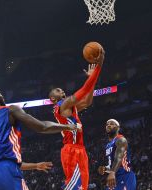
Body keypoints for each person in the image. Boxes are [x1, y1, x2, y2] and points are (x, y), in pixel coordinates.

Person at [0, 87, 81, 190]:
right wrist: (68, 126)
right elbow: (42, 127)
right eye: (0, 93)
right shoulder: (10, 110)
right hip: (6, 170)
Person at [48, 49, 105, 190]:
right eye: (58, 90)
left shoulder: (70, 108)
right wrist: (99, 64)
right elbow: (84, 90)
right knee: (73, 187)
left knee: (82, 188)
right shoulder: (63, 105)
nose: (61, 90)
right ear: (53, 99)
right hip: (71, 150)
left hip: (80, 149)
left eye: (62, 89)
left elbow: (87, 101)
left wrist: (91, 81)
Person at [98, 119, 136, 190]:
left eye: (112, 124)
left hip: (125, 175)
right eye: (107, 124)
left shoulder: (121, 139)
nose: (108, 125)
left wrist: (112, 172)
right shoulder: (108, 145)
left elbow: (119, 158)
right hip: (115, 176)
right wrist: (105, 169)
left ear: (117, 128)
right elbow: (113, 165)